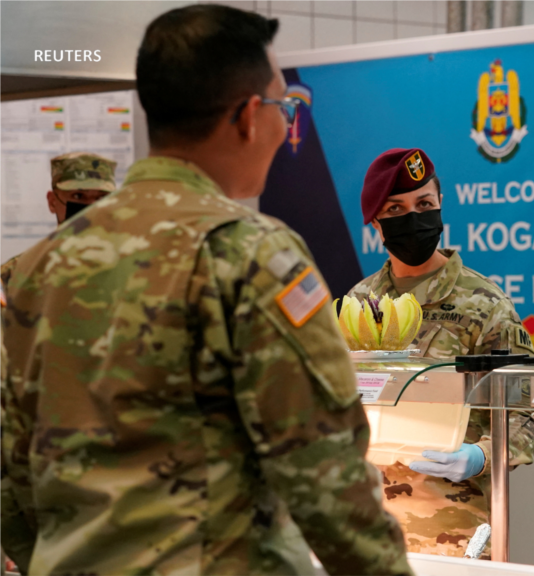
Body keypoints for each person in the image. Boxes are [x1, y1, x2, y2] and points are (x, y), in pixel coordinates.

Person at [0, 6, 410, 575]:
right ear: (247, 116)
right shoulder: (252, 253)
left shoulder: (39, 266)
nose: (283, 124)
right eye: (283, 107)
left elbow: (15, 464)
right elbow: (325, 473)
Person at [348, 147, 534, 556]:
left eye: (424, 204)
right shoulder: (358, 304)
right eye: (396, 208)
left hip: (454, 525)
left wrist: (482, 454)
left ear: (441, 207)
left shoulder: (484, 303)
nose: (413, 217)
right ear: (376, 224)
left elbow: (530, 412)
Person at [0, 152, 117, 289]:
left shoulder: (130, 267)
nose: (91, 207)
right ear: (52, 202)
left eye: (101, 198)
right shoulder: (17, 274)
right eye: (78, 196)